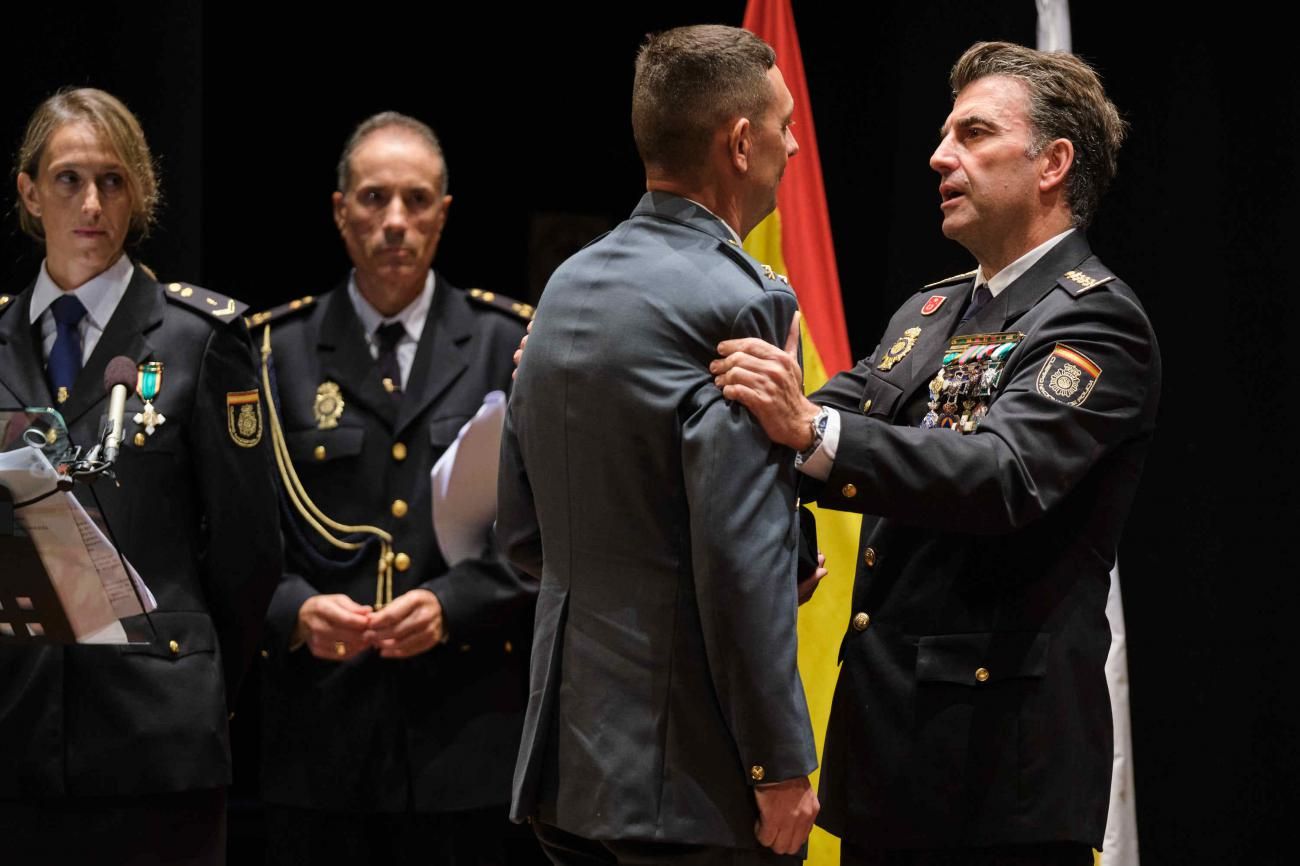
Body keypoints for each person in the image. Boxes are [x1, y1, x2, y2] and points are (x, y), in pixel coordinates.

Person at [711, 41, 1161, 865]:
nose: (938, 155)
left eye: (973, 133)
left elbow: (1002, 475)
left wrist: (808, 431)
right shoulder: (932, 309)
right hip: (890, 757)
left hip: (997, 777)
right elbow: (811, 417)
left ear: (1053, 163)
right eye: (945, 133)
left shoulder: (1097, 323)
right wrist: (632, 371)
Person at [498, 24, 820, 864]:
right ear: (740, 142)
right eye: (784, 124)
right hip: (685, 781)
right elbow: (739, 558)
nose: (794, 143)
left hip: (568, 764)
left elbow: (523, 534)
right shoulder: (741, 301)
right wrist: (779, 763)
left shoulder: (565, 286)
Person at [249, 111, 539, 866]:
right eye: (375, 199)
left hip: (467, 736)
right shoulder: (271, 354)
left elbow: (555, 533)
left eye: (416, 201)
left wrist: (453, 603)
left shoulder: (511, 345)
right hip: (316, 740)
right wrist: (292, 609)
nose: (396, 222)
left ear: (444, 214)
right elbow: (234, 533)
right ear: (340, 210)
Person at [0, 87, 281, 863]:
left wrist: (193, 674)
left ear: (140, 192)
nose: (92, 202)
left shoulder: (198, 338)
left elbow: (249, 554)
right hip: (15, 735)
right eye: (68, 179)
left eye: (114, 180)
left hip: (156, 737)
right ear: (29, 192)